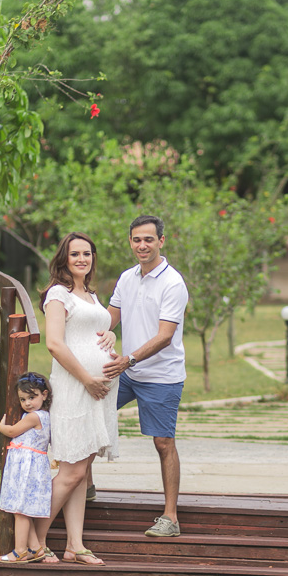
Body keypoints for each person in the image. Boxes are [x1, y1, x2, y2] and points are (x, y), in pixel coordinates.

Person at [100, 215, 189, 538]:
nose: (142, 245)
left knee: (163, 442)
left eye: (148, 239)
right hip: (126, 369)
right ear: (130, 242)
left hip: (161, 375)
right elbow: (111, 317)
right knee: (90, 411)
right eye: (136, 239)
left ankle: (170, 518)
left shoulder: (173, 284)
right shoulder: (127, 278)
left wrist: (130, 359)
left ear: (161, 242)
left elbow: (165, 335)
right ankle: (85, 487)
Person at [33, 232, 118, 566]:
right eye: (75, 254)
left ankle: (75, 545)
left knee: (82, 470)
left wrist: (110, 335)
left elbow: (93, 333)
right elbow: (54, 343)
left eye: (87, 253)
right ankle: (35, 542)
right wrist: (86, 380)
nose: (82, 259)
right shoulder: (58, 294)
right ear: (64, 259)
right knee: (70, 471)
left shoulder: (92, 295)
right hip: (75, 388)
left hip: (97, 392)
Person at [0, 372, 53, 564]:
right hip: (28, 467)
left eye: (32, 397)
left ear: (44, 394)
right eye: (23, 399)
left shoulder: (35, 416)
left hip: (29, 468)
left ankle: (20, 551)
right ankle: (35, 548)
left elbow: (12, 431)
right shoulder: (38, 415)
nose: (27, 403)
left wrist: (1, 426)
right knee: (23, 509)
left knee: (20, 510)